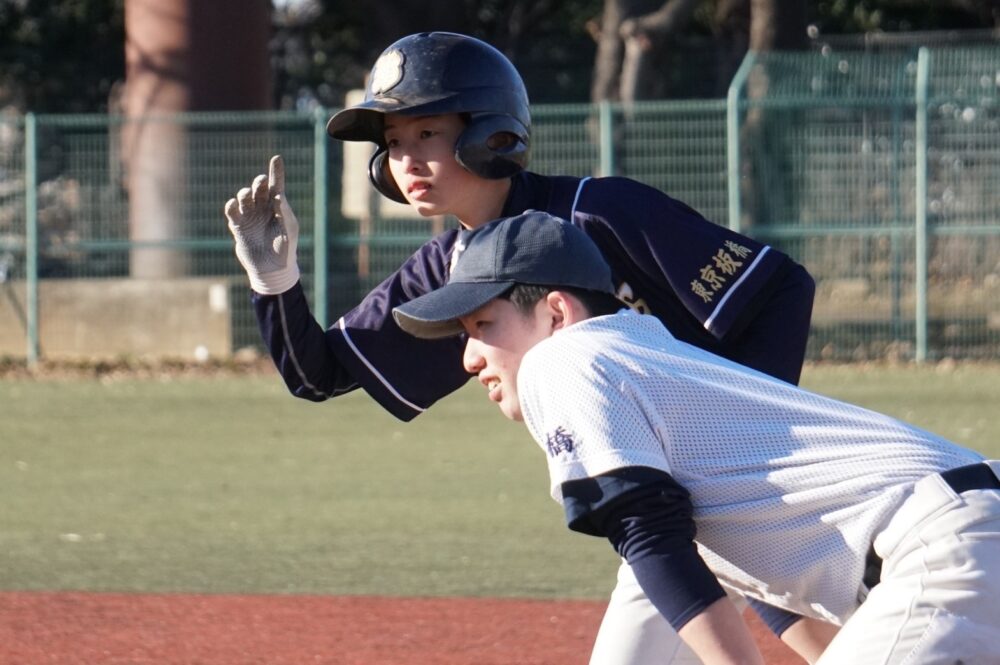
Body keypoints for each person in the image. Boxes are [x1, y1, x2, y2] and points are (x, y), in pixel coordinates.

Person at [224, 31, 816, 664]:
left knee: (862, 640)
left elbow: (780, 287)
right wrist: (273, 279)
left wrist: (738, 436)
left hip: (751, 492)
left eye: (427, 133)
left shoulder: (601, 212)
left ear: (491, 133)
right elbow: (321, 374)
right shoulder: (449, 274)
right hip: (658, 513)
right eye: (393, 143)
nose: (407, 159)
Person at [392, 209, 1000, 665]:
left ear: (556, 312)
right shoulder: (656, 364)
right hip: (958, 538)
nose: (470, 356)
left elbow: (647, 534)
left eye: (482, 324)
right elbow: (746, 565)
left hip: (943, 549)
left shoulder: (567, 360)